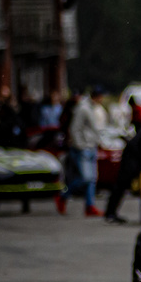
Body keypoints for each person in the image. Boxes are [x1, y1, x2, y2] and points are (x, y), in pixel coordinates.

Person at [60, 86, 106, 217]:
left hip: (91, 146)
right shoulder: (83, 108)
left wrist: (97, 141)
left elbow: (93, 129)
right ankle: (63, 195)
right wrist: (80, 144)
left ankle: (90, 205)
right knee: (85, 178)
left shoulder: (92, 108)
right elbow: (75, 128)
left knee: (92, 179)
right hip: (83, 147)